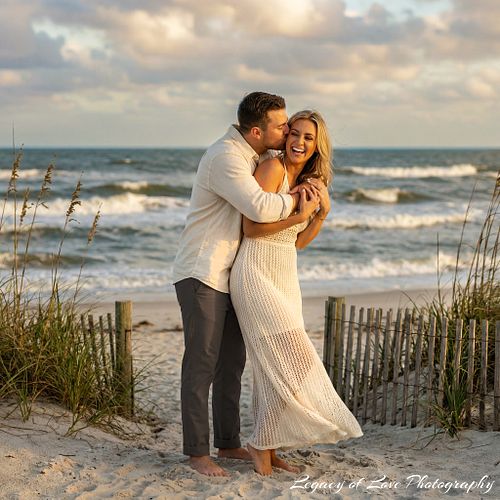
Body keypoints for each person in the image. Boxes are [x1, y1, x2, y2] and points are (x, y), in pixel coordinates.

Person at [172, 92, 317, 477]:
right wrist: (299, 204)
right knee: (201, 363)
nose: (287, 131)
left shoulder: (253, 157)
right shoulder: (226, 158)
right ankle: (197, 454)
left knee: (231, 364)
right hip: (202, 271)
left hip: (231, 274)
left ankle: (230, 443)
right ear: (257, 131)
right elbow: (258, 209)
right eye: (281, 125)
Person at [229, 110, 363, 476]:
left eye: (308, 138)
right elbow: (253, 229)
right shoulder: (271, 169)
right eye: (294, 134)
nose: (298, 143)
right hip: (255, 272)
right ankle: (260, 444)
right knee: (295, 358)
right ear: (285, 136)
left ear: (317, 146)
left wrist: (319, 215)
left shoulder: (311, 180)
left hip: (285, 274)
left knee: (275, 367)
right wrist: (299, 213)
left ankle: (266, 447)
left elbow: (298, 242)